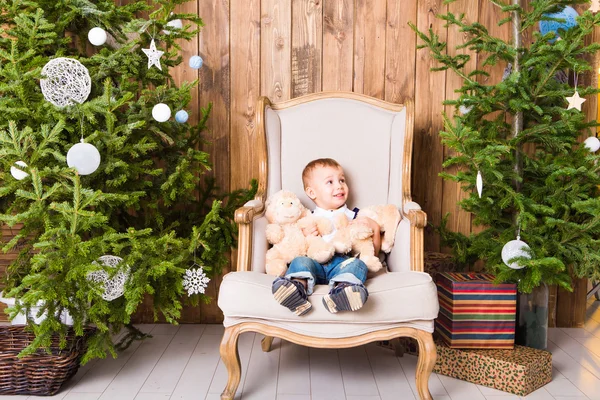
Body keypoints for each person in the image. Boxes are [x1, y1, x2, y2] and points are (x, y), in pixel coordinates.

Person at [271, 158, 381, 316]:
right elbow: (293, 246)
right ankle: (296, 288)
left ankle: (343, 291)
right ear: (311, 192)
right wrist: (303, 236)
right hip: (314, 265)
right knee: (300, 261)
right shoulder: (307, 219)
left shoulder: (356, 216)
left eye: (342, 180)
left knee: (358, 265)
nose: (339, 185)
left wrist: (375, 229)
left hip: (341, 266)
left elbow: (371, 254)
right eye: (330, 182)